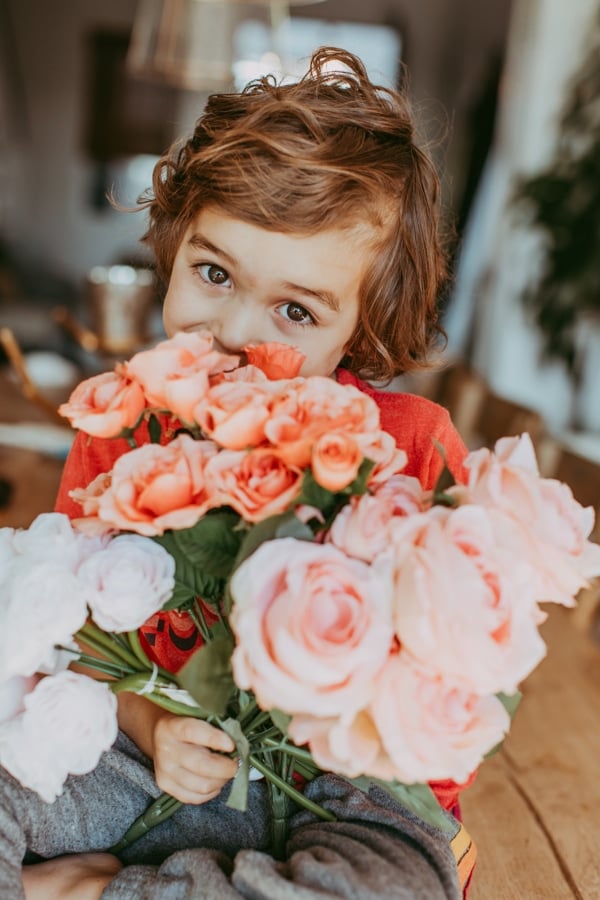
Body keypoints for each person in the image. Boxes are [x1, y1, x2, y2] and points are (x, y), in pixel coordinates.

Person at [2, 46, 476, 899]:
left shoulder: (416, 446)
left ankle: (87, 891)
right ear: (173, 251)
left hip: (326, 791)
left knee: (398, 881)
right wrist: (148, 723)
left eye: (296, 309)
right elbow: (71, 638)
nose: (232, 332)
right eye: (214, 273)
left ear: (364, 328)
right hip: (140, 767)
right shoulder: (123, 420)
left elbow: (449, 675)